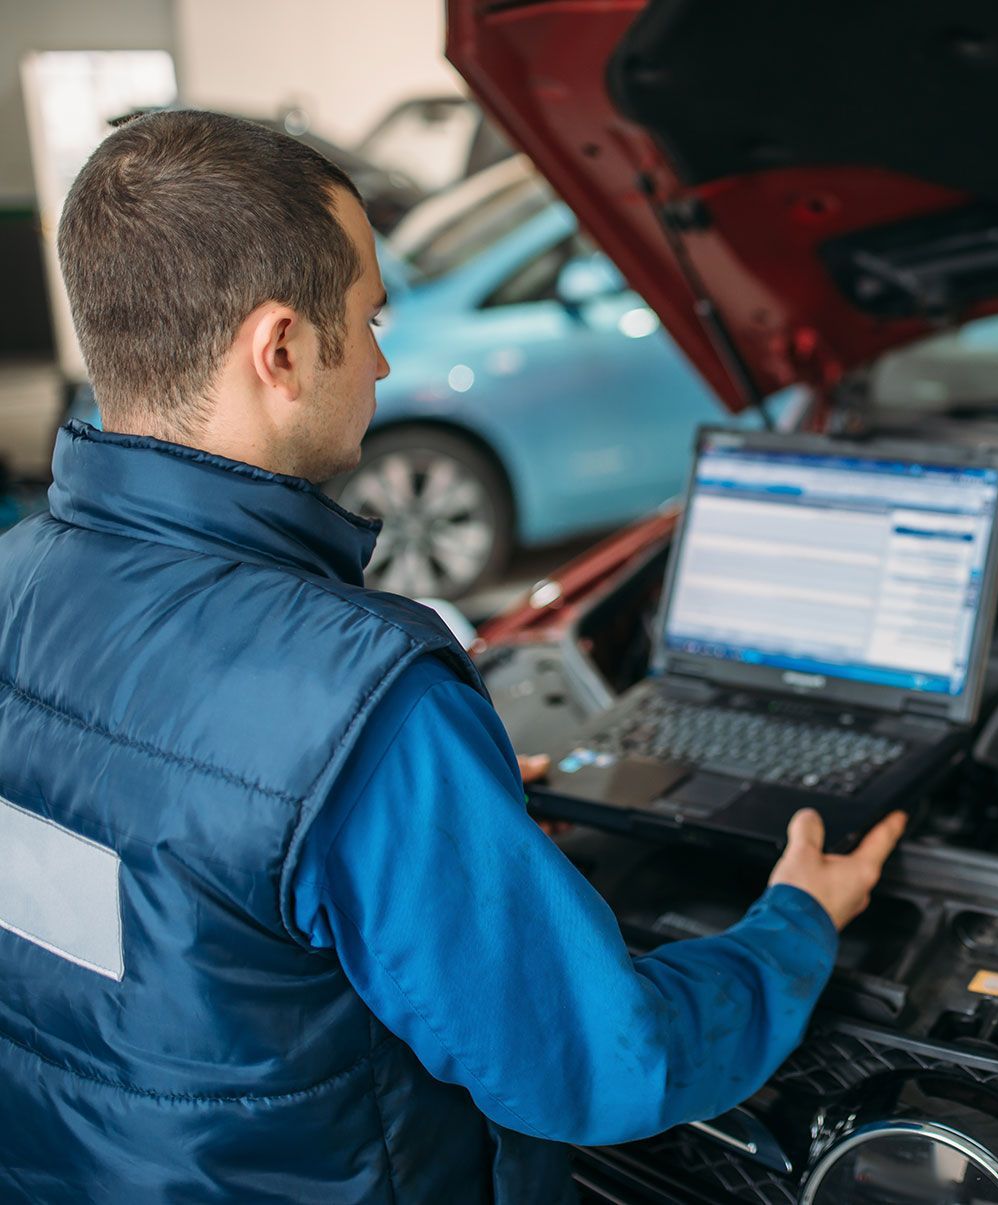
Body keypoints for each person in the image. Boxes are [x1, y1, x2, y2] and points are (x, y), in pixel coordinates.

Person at [0, 109, 906, 1204]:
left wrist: (432, 825)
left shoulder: (14, 579)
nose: (380, 360)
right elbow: (598, 1063)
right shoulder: (356, 701)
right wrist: (795, 925)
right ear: (280, 349)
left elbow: (151, 872)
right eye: (370, 316)